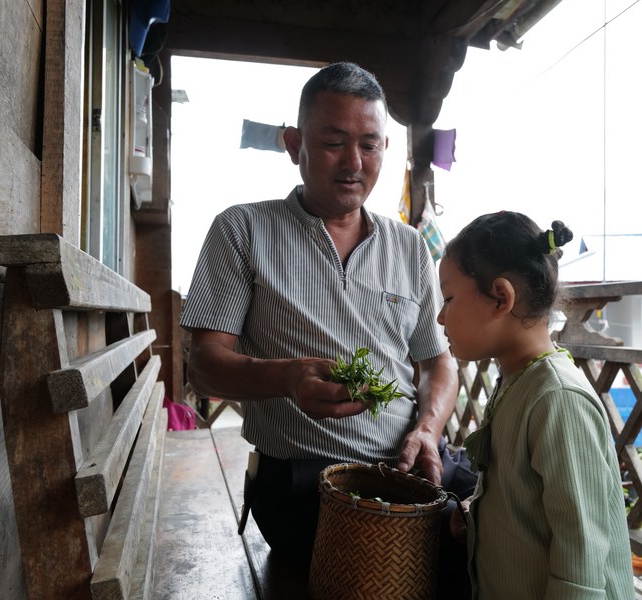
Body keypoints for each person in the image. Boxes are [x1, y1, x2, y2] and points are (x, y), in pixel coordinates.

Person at [179, 62, 475, 580]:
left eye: (369, 145)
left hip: (410, 464)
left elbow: (437, 363)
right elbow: (203, 366)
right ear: (295, 145)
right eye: (334, 142)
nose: (353, 162)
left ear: (385, 147)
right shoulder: (242, 230)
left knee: (511, 523)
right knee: (437, 559)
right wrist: (288, 378)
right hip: (302, 479)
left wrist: (428, 431)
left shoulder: (408, 246)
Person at [437, 211, 635, 599]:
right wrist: (479, 514)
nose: (441, 317)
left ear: (500, 297)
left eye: (448, 298)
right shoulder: (517, 380)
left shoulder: (557, 398)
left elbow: (582, 560)